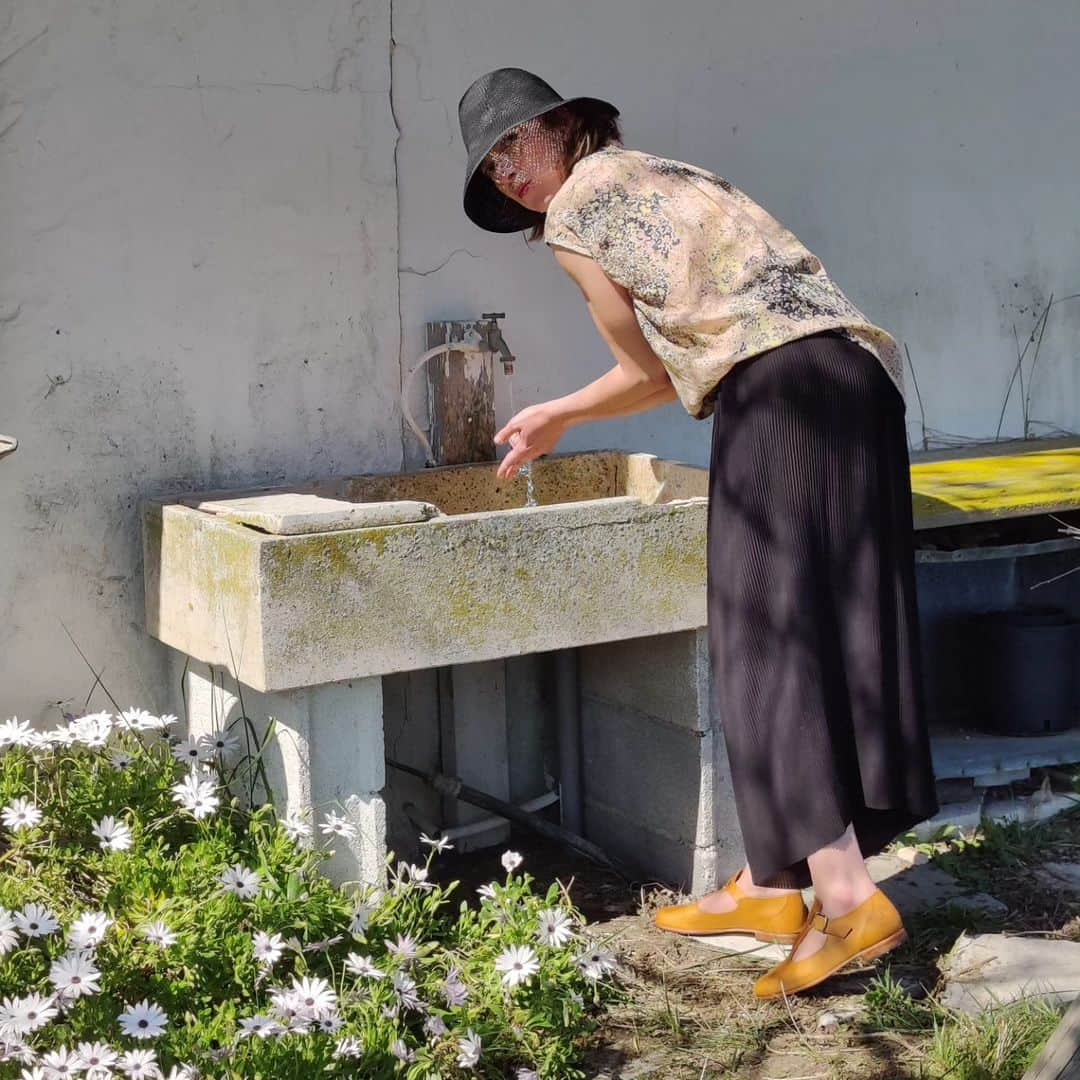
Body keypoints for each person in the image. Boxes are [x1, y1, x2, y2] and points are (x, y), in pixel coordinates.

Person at [458, 68, 938, 998]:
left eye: (513, 145)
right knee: (844, 621)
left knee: (766, 642)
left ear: (561, 127)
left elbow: (642, 371)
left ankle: (846, 902)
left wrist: (558, 412)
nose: (508, 172)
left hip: (782, 395)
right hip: (858, 375)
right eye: (490, 165)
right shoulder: (675, 175)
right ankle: (771, 883)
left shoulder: (574, 214)